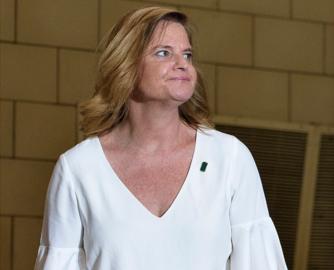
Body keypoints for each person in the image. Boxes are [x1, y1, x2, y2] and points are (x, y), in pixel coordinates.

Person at [34, 6, 287, 270]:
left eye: (187, 55)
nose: (182, 64)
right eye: (164, 53)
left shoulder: (229, 158)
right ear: (126, 66)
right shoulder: (78, 169)